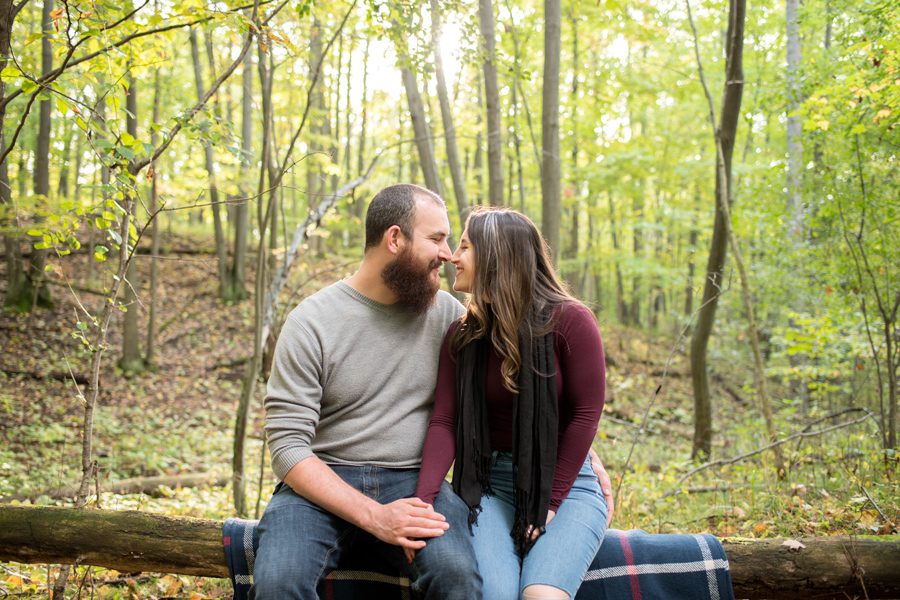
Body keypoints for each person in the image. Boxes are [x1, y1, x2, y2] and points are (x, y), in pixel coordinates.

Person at [251, 183, 482, 599]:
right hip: (321, 483)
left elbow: (509, 388)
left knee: (456, 575)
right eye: (436, 239)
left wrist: (582, 455)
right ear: (395, 239)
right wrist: (374, 516)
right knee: (277, 581)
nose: (448, 254)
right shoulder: (312, 322)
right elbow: (287, 448)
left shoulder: (449, 316)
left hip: (416, 480)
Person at [414, 207, 608, 600]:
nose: (452, 256)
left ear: (496, 255)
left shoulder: (570, 321)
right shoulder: (463, 335)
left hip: (566, 488)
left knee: (541, 595)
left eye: (465, 246)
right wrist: (422, 502)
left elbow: (586, 415)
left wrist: (549, 501)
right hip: (489, 487)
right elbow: (445, 421)